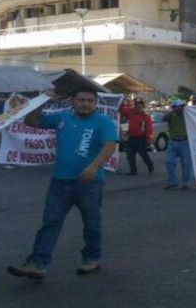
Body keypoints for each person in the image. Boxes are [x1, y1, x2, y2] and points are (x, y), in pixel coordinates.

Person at [8, 87, 118, 279]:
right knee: (50, 223)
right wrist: (40, 102)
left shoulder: (103, 121)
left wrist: (93, 167)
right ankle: (37, 264)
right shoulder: (62, 118)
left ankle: (91, 259)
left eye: (89, 100)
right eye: (81, 99)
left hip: (89, 184)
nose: (85, 103)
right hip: (60, 182)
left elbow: (110, 146)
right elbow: (31, 121)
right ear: (73, 102)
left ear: (95, 103)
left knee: (92, 224)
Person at [119, 98, 154, 176]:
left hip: (141, 138)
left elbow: (149, 128)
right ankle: (133, 170)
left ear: (143, 107)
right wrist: (121, 100)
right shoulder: (131, 112)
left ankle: (149, 164)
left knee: (143, 154)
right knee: (130, 155)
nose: (139, 108)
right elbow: (122, 110)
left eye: (140, 106)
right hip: (131, 138)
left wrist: (149, 138)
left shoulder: (146, 117)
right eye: (137, 106)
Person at [163, 99, 192, 190]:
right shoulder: (171, 115)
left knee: (186, 163)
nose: (178, 108)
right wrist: (172, 111)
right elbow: (164, 118)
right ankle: (173, 181)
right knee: (169, 161)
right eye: (176, 107)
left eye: (180, 106)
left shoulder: (187, 115)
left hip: (185, 142)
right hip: (173, 142)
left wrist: (184, 108)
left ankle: (186, 182)